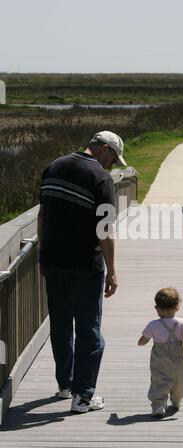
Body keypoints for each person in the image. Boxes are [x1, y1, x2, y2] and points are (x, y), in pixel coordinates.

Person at [38, 130, 126, 414]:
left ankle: (65, 385)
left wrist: (42, 254)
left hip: (53, 262)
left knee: (61, 326)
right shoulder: (101, 178)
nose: (112, 165)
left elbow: (42, 214)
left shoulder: (54, 166)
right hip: (86, 265)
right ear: (102, 149)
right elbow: (105, 229)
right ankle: (83, 396)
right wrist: (112, 271)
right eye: (113, 158)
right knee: (89, 332)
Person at [138, 287, 183, 418]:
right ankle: (176, 400)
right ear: (177, 307)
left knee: (160, 379)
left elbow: (144, 339)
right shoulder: (182, 323)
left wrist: (141, 342)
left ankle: (159, 405)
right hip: (178, 357)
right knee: (179, 379)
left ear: (158, 309)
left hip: (160, 357)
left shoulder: (153, 324)